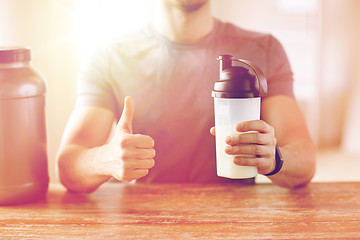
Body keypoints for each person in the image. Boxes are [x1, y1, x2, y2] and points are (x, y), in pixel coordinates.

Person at [56, 0, 316, 193]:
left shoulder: (265, 50)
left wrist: (275, 158)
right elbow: (69, 164)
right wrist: (106, 159)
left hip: (238, 220)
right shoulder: (109, 58)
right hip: (148, 221)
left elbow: (304, 159)